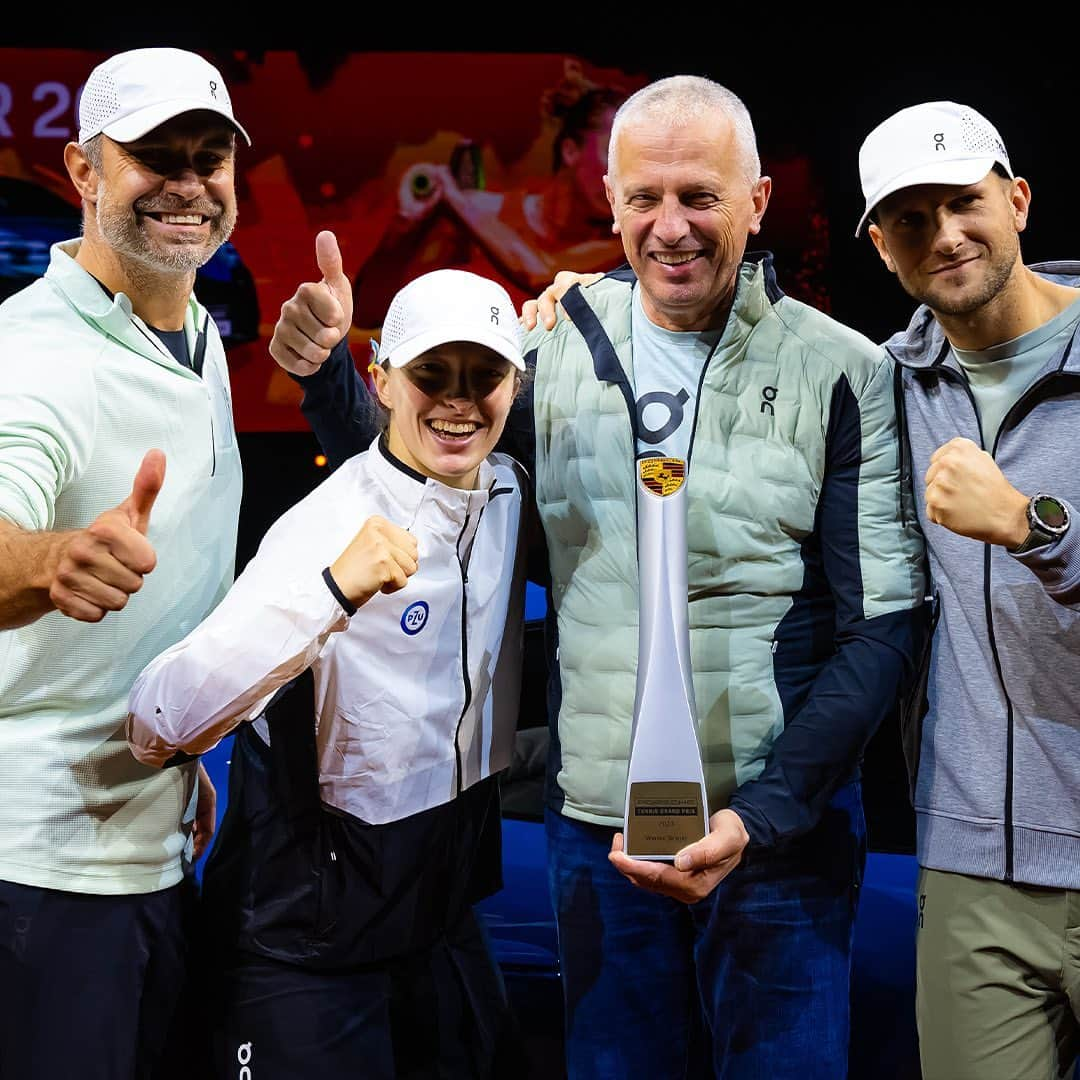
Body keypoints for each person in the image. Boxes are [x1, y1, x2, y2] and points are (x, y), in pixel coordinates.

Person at [269, 75, 926, 1079]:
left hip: (779, 846)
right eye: (644, 199)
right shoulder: (550, 349)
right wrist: (325, 383)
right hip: (600, 832)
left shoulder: (847, 371)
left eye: (700, 197)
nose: (671, 228)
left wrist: (768, 815)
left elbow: (880, 627)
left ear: (755, 204)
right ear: (611, 204)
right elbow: (415, 480)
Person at [128, 267, 529, 1079]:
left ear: (515, 388)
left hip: (439, 922)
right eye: (431, 375)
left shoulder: (510, 493)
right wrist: (329, 594)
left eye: (483, 375)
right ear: (381, 378)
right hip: (303, 942)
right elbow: (157, 721)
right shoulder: (330, 525)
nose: (459, 400)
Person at [0, 47, 248, 1078]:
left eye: (210, 156)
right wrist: (52, 557)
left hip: (151, 837)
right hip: (44, 870)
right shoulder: (31, 355)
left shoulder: (194, 327)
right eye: (153, 156)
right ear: (83, 171)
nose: (188, 183)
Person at [858, 101, 1080, 1080]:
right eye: (912, 218)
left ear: (1018, 200)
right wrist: (596, 292)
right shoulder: (882, 389)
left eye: (965, 202)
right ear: (881, 246)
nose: (945, 235)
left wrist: (1031, 527)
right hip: (971, 866)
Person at [351, 67, 626, 326]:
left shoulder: (622, 244)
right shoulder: (476, 213)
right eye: (613, 156)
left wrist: (454, 198)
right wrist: (405, 225)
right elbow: (369, 312)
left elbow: (542, 273)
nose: (623, 175)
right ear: (569, 151)